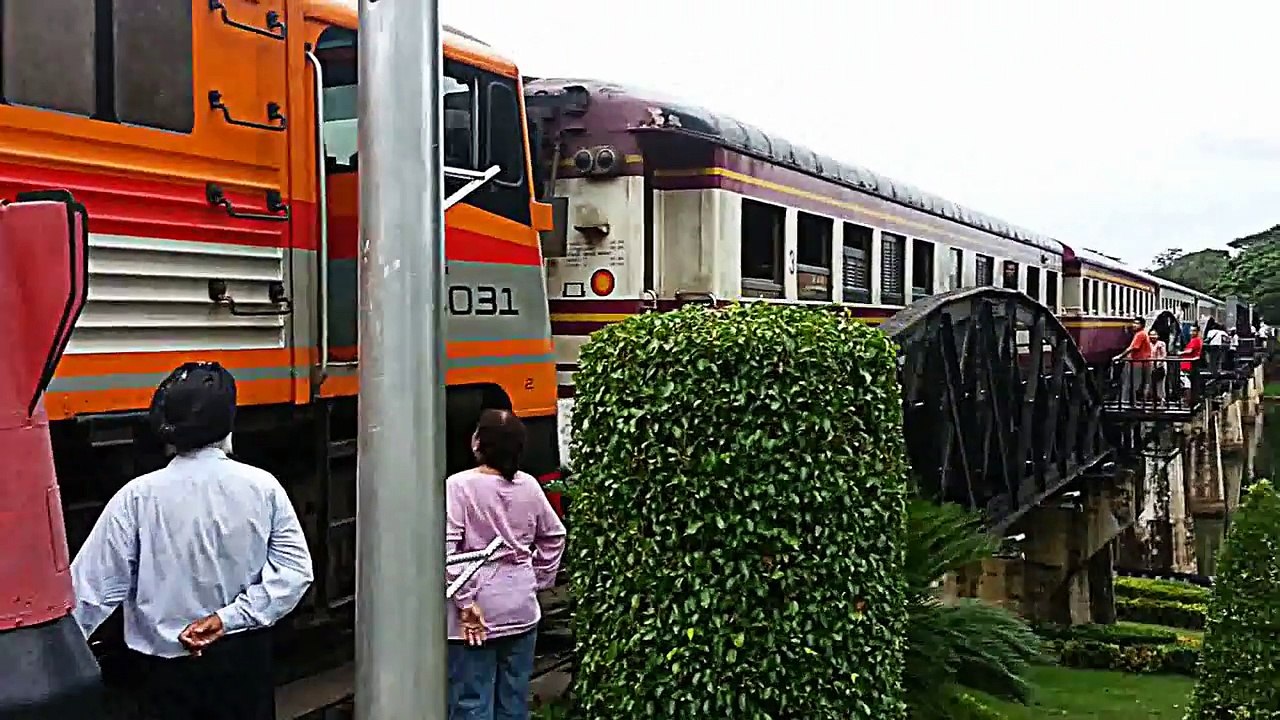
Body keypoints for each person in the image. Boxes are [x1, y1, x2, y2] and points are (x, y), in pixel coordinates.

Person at [70, 362, 314, 720]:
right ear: (229, 423)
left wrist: (55, 668)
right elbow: (296, 573)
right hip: (242, 667)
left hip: (161, 677)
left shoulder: (136, 498)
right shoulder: (264, 489)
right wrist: (227, 619)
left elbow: (90, 592)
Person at [446, 409, 567, 720]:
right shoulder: (528, 485)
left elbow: (447, 552)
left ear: (477, 444)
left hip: (476, 616)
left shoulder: (459, 487)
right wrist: (536, 578)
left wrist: (466, 601)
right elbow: (554, 536)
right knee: (513, 702)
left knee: (472, 702)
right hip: (521, 608)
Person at [1114, 317, 1153, 404]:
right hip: (1143, 362)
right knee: (1141, 383)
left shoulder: (1140, 334)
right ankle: (1134, 402)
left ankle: (1128, 402)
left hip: (1138, 363)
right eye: (1134, 323)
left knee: (1132, 384)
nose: (1134, 325)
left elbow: (1133, 348)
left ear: (1142, 325)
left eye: (1137, 323)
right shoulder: (1143, 334)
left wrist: (1119, 356)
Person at [1149, 329, 1168, 402]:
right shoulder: (1148, 344)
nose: (1153, 336)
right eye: (1151, 335)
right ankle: (1152, 398)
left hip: (1160, 365)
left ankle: (1162, 398)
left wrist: (1159, 363)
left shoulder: (1161, 343)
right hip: (1150, 365)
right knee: (1151, 383)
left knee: (1160, 383)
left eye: (1154, 334)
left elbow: (1164, 355)